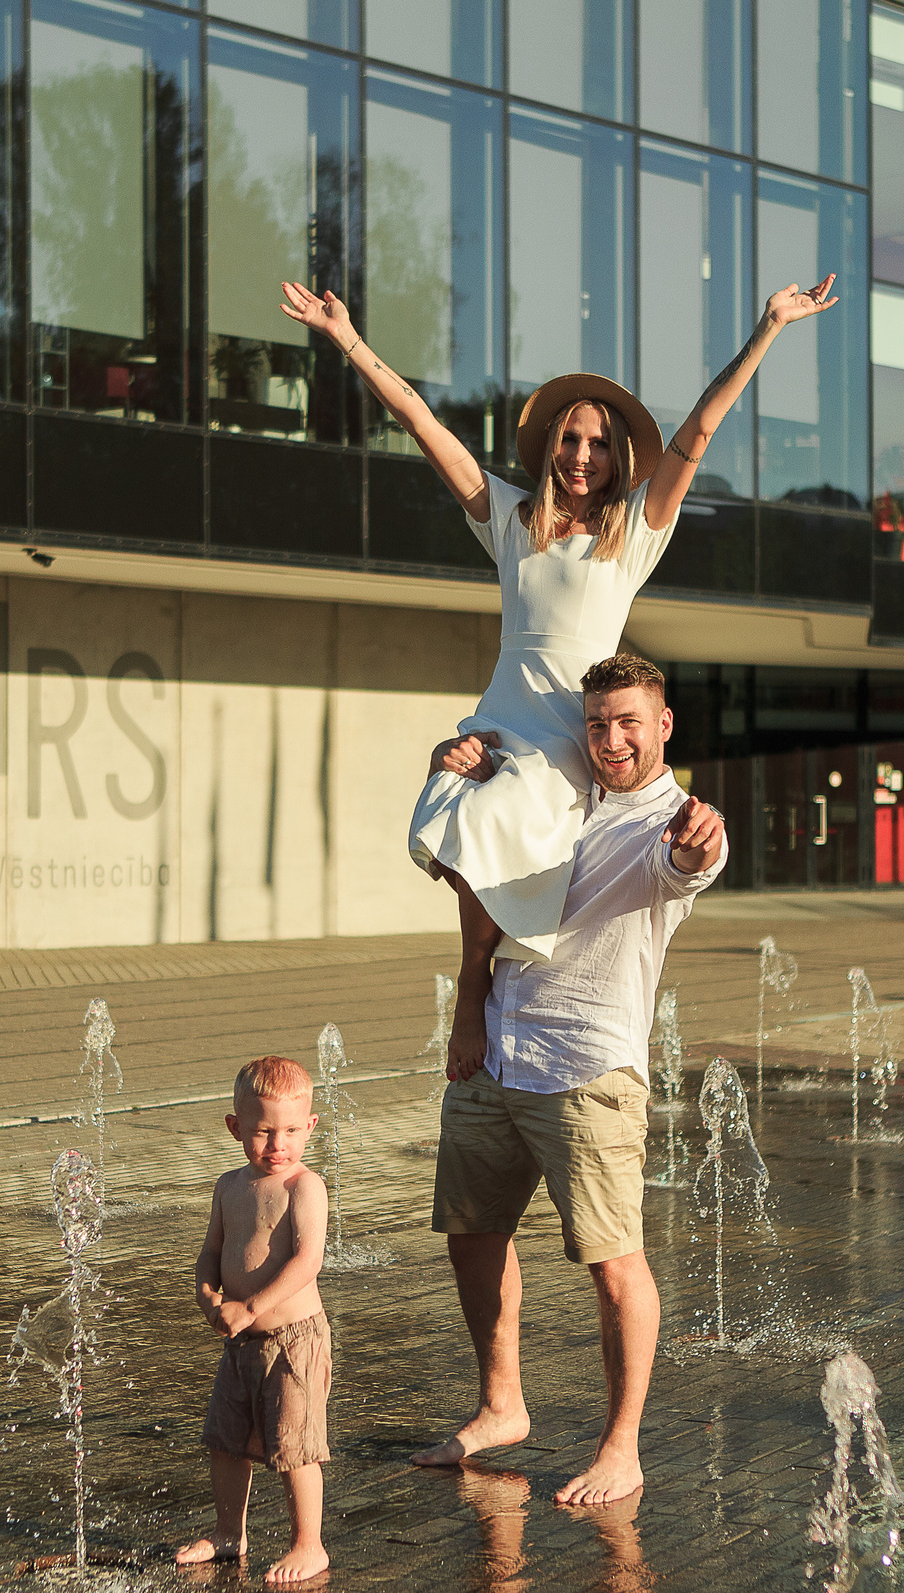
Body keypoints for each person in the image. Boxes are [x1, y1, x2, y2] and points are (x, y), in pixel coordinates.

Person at [276, 273, 833, 1080]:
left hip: (576, 725)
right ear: (551, 449)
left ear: (617, 459)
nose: (581, 455)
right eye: (571, 439)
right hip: (505, 712)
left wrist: (769, 329)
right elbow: (421, 421)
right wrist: (348, 340)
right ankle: (473, 987)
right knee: (464, 806)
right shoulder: (511, 520)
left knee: (514, 831)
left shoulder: (633, 532)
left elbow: (698, 434)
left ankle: (507, 1001)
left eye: (598, 443)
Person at [410, 653, 727, 1506]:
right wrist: (457, 768)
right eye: (597, 722)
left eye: (629, 721)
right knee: (471, 1232)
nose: (611, 738)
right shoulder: (552, 789)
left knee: (612, 1260)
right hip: (495, 1050)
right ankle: (501, 1403)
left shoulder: (667, 822)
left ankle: (621, 1447)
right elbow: (470, 868)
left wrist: (704, 845)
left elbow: (693, 862)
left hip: (588, 1068)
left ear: (663, 725)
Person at [174, 1056, 332, 1583]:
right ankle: (228, 1532)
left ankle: (309, 1544)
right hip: (240, 1340)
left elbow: (306, 1261)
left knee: (295, 1445)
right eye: (263, 1131)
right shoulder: (228, 1186)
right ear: (235, 1126)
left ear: (310, 1126)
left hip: (294, 1340)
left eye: (290, 1131)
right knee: (227, 1440)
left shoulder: (303, 1188)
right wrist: (208, 1298)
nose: (277, 1145)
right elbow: (209, 1253)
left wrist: (251, 1306)